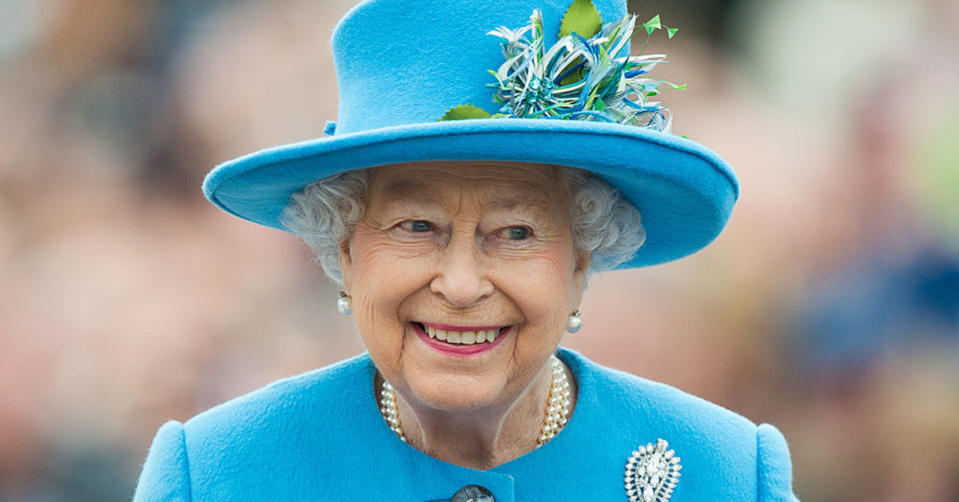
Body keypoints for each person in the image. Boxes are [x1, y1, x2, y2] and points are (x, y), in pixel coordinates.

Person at [134, 0, 799, 500]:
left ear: (580, 259)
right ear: (343, 246)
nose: (459, 284)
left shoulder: (726, 473)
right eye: (415, 226)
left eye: (513, 233)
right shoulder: (219, 472)